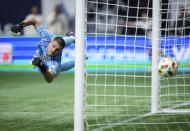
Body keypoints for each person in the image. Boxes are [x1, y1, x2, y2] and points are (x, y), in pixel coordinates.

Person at [10, 18, 75, 83]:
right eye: (53, 46)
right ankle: (72, 37)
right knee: (63, 40)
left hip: (46, 66)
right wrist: (20, 25)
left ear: (60, 51)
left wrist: (42, 66)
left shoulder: (54, 61)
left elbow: (50, 79)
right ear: (50, 42)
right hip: (46, 48)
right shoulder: (47, 37)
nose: (53, 51)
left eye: (57, 50)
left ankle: (79, 60)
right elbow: (34, 21)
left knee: (59, 68)